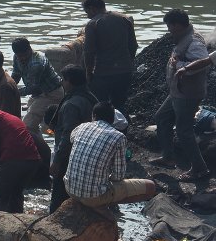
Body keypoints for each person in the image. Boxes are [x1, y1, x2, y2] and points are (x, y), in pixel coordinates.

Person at [64, 102, 157, 218]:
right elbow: (118, 176)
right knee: (151, 186)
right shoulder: (119, 137)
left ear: (93, 115)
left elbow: (73, 140)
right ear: (113, 120)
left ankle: (96, 203)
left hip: (69, 189)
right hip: (93, 197)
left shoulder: (81, 127)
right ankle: (102, 205)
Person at [151, 9, 211, 182]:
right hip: (178, 90)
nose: (168, 29)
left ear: (177, 25)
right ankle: (168, 157)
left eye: (169, 25)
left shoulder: (194, 42)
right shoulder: (183, 38)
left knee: (184, 131)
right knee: (162, 117)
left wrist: (180, 65)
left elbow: (202, 65)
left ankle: (200, 169)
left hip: (188, 94)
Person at [47, 64, 98, 213]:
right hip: (86, 153)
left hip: (69, 156)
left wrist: (56, 161)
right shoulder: (90, 97)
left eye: (63, 79)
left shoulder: (71, 104)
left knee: (58, 198)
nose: (62, 83)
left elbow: (68, 134)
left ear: (70, 81)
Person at [0, 99, 41, 213]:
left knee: (1, 196)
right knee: (16, 194)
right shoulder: (8, 117)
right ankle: (19, 221)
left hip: (14, 160)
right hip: (33, 161)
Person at [82, 0, 138, 116]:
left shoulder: (93, 24)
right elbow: (133, 46)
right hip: (124, 71)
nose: (88, 16)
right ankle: (122, 131)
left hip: (103, 73)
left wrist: (88, 73)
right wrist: (128, 63)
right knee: (120, 105)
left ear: (92, 9)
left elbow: (89, 52)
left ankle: (103, 132)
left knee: (99, 106)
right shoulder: (124, 19)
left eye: (87, 12)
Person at [11, 37, 64, 138]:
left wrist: (14, 92)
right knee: (33, 125)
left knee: (27, 125)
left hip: (51, 94)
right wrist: (9, 86)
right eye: (19, 56)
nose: (21, 59)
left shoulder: (37, 62)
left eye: (24, 55)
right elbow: (16, 75)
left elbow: (32, 88)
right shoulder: (16, 57)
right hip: (38, 94)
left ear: (29, 49)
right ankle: (39, 149)